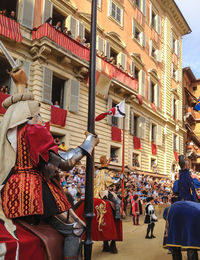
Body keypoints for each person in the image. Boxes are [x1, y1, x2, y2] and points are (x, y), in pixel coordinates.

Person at [0, 69, 99, 259]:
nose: (40, 117)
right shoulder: (33, 129)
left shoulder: (11, 132)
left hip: (12, 189)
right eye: (37, 112)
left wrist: (20, 85)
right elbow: (66, 161)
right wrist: (89, 143)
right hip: (32, 190)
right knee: (77, 228)